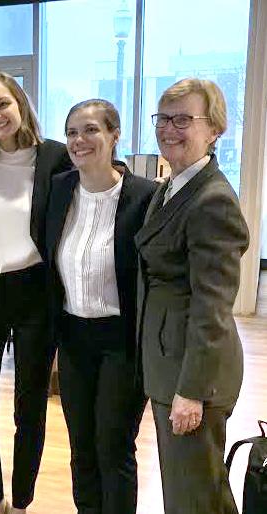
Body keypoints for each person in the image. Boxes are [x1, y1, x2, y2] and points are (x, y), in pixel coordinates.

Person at [0, 71, 71, 514]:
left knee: (30, 410)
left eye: (2, 104)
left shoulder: (55, 159)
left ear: (20, 104)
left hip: (33, 292)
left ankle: (22, 502)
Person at [135, 78, 249, 514]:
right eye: (163, 119)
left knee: (193, 498)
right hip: (170, 364)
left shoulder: (211, 200)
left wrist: (192, 391)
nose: (169, 129)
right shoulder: (172, 186)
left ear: (214, 129)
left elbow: (212, 307)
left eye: (184, 119)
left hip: (193, 375)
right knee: (198, 491)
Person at [46, 99, 155, 514]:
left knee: (114, 446)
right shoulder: (59, 190)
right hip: (74, 338)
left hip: (122, 340)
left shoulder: (144, 197)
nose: (79, 140)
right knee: (81, 448)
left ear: (114, 135)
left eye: (91, 130)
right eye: (72, 132)